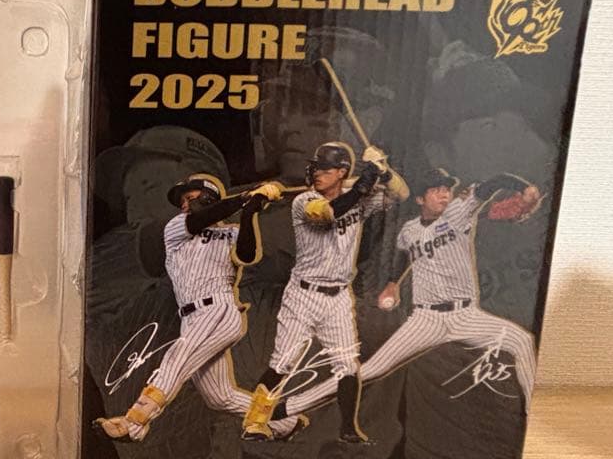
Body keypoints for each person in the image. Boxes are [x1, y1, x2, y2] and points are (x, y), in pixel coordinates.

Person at [269, 168, 539, 421]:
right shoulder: (410, 230)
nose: (444, 194)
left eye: (447, 189)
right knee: (372, 369)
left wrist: (522, 187)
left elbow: (490, 185)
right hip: (427, 319)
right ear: (421, 199)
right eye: (436, 189)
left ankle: (533, 417)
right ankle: (289, 407)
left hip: (466, 315)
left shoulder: (457, 213)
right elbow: (401, 252)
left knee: (523, 341)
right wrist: (392, 283)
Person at [92, 172, 298, 443]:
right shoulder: (177, 227)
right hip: (191, 317)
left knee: (177, 358)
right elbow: (203, 218)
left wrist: (250, 210)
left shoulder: (229, 232)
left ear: (209, 198)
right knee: (219, 397)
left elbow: (247, 255)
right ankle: (284, 422)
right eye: (183, 201)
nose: (184, 205)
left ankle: (134, 423)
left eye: (190, 198)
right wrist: (245, 198)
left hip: (217, 309)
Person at [242, 141, 408, 443]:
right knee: (283, 362)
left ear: (342, 172)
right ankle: (255, 422)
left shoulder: (358, 197)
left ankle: (348, 429)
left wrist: (383, 171)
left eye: (325, 169)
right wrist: (366, 178)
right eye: (316, 168)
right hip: (303, 295)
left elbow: (402, 194)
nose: (317, 173)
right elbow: (330, 213)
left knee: (347, 365)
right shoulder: (304, 200)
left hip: (338, 297)